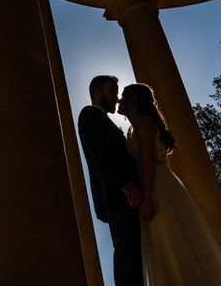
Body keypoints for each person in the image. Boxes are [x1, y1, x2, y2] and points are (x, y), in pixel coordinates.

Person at [118, 83, 221, 286]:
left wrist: (147, 197)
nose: (120, 101)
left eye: (124, 96)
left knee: (169, 240)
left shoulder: (143, 122)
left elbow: (148, 158)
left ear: (134, 101)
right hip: (155, 183)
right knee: (166, 243)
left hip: (156, 186)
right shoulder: (136, 125)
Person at [78, 75, 143, 286]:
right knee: (127, 251)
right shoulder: (89, 114)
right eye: (111, 92)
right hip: (117, 194)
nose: (116, 98)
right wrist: (125, 183)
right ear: (97, 93)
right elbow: (101, 152)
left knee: (134, 250)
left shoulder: (106, 121)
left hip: (124, 194)